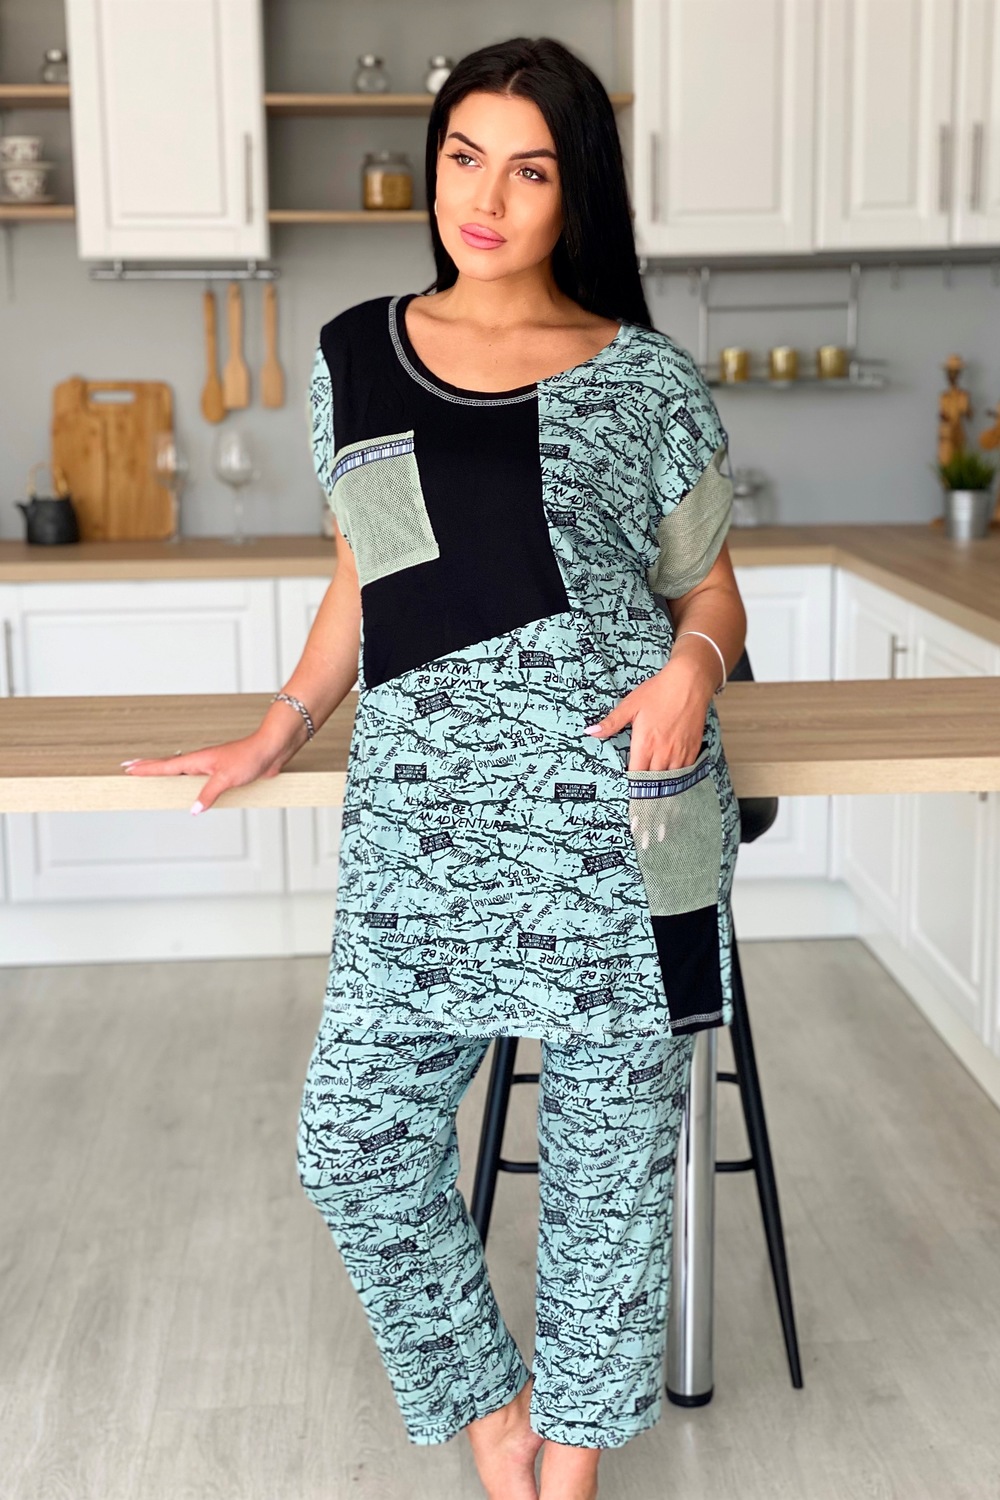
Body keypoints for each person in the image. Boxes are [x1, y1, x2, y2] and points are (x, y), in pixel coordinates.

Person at [123, 34, 747, 1500]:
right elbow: (369, 575)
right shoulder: (357, 353)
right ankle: (491, 1411)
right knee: (351, 1142)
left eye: (529, 170)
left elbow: (710, 591)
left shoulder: (649, 378)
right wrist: (281, 724)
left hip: (619, 812)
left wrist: (691, 671)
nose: (486, 196)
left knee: (609, 1177)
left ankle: (569, 1470)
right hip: (423, 823)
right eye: (466, 157)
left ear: (575, 193)